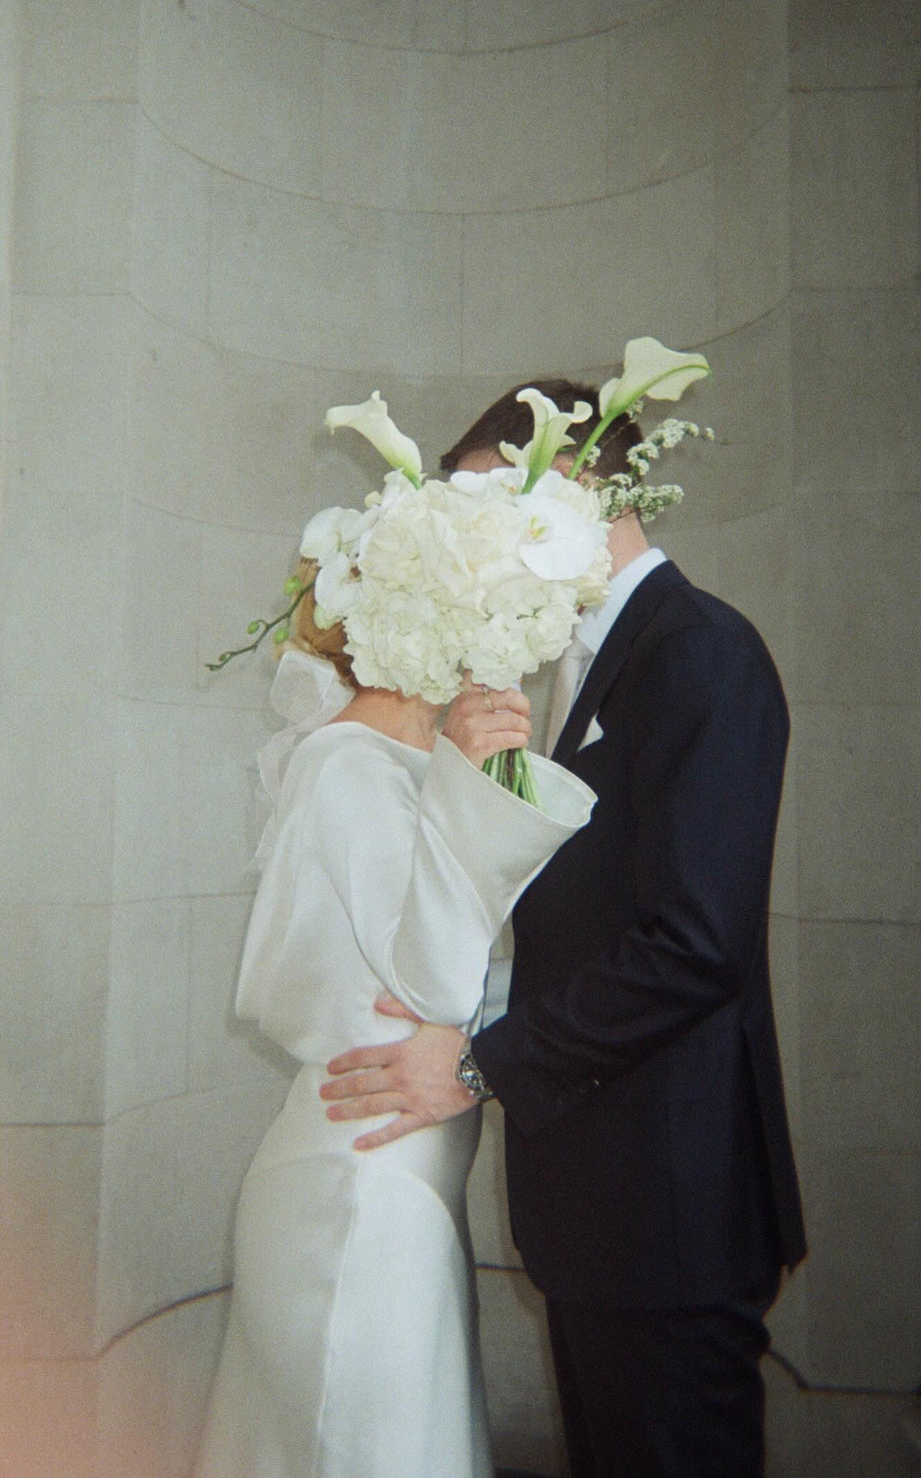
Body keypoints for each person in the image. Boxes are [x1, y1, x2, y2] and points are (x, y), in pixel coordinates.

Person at [320, 381, 807, 1477]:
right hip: (608, 1211)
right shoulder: (592, 663)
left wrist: (480, 1064)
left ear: (581, 487)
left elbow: (693, 944)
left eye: (488, 513)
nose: (476, 549)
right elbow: (588, 926)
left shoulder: (699, 652)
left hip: (668, 1217)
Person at [196, 556, 597, 1477]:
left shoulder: (395, 766)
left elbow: (461, 984)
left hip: (391, 1177)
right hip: (359, 1193)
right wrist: (476, 776)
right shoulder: (347, 765)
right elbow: (433, 983)